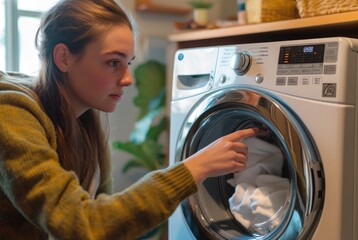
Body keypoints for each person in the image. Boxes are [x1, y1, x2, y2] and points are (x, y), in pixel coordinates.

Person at [0, 0, 258, 239]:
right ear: (63, 58)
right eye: (113, 62)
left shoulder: (85, 117)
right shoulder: (12, 113)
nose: (128, 79)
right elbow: (84, 223)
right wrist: (194, 168)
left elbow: (106, 221)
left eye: (128, 63)